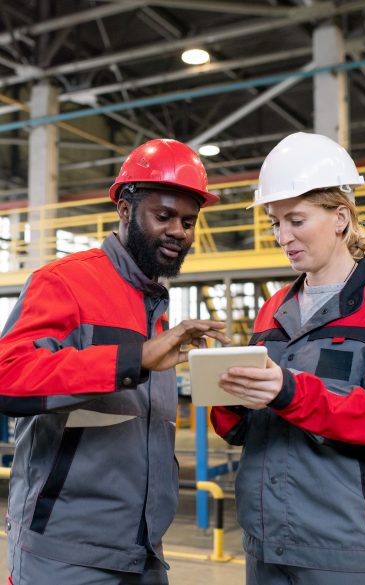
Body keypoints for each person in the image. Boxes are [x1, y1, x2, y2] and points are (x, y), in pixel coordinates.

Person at [0, 138, 230, 585]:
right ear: (125, 211)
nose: (179, 231)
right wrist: (134, 358)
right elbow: (7, 376)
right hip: (67, 554)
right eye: (163, 216)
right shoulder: (64, 283)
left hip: (144, 552)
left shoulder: (153, 305)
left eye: (188, 221)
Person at [211, 132, 365, 585]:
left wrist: (290, 390)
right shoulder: (274, 306)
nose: (283, 236)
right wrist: (230, 395)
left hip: (349, 547)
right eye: (275, 223)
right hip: (267, 541)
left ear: (341, 217)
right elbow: (242, 431)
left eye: (296, 220)